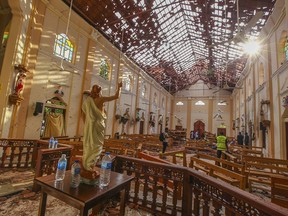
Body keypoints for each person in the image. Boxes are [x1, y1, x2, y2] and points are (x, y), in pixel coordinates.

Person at [81, 82, 122, 182]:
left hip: (90, 126)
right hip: (99, 125)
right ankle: (89, 167)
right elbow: (116, 96)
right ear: (100, 91)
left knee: (89, 144)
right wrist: (119, 87)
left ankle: (87, 166)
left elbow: (83, 113)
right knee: (97, 145)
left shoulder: (88, 101)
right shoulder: (102, 99)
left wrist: (87, 123)